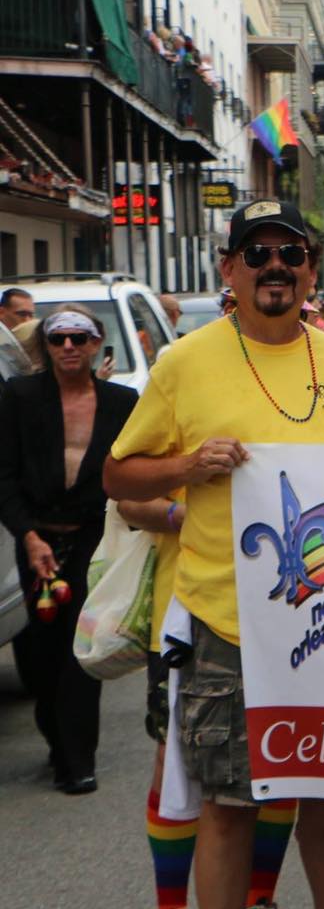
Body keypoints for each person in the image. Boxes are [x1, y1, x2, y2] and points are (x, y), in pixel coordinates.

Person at [104, 198, 324, 909]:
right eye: (258, 252)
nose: (276, 266)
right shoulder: (185, 362)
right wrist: (190, 465)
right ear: (230, 270)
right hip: (226, 624)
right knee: (230, 804)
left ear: (312, 271)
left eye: (291, 253)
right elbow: (119, 475)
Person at [118, 491, 306, 909]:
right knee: (174, 761)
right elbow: (125, 499)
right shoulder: (178, 409)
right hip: (188, 616)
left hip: (287, 611)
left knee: (278, 757)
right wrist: (188, 513)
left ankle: (257, 907)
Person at [0, 304, 137, 794]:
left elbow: (132, 468)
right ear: (47, 346)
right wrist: (29, 536)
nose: (69, 347)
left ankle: (79, 760)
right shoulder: (19, 397)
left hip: (90, 540)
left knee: (81, 650)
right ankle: (57, 741)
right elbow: (5, 476)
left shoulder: (121, 402)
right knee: (39, 658)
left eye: (79, 338)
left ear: (96, 343)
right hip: (36, 537)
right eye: (58, 340)